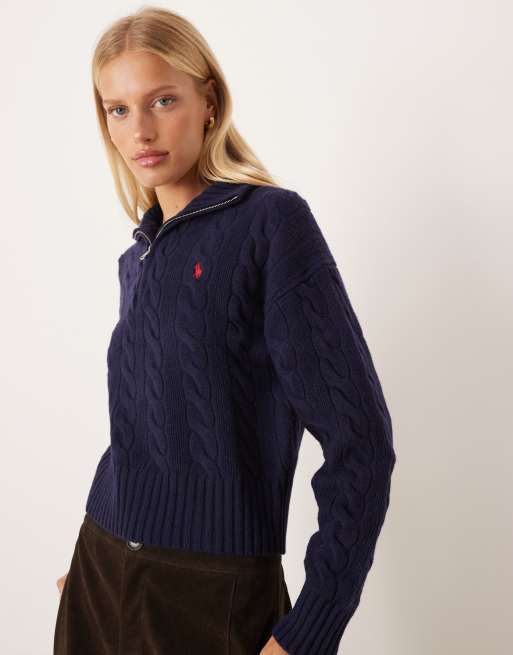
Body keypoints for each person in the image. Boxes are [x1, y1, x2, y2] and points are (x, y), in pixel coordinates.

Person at [53, 7, 397, 655]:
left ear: (208, 101)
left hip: (212, 594)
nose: (140, 130)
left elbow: (362, 443)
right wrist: (102, 558)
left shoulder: (270, 224)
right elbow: (146, 426)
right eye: (118, 109)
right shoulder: (138, 256)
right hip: (100, 571)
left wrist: (309, 629)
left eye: (162, 100)